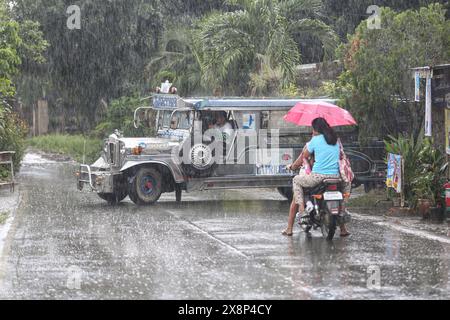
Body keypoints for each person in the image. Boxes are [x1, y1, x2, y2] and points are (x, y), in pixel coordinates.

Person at [282, 117, 351, 237]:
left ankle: (302, 211)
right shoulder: (335, 140)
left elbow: (304, 156)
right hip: (336, 177)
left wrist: (293, 166)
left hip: (317, 177)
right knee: (343, 191)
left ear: (316, 129)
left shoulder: (314, 141)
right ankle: (343, 219)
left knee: (296, 180)